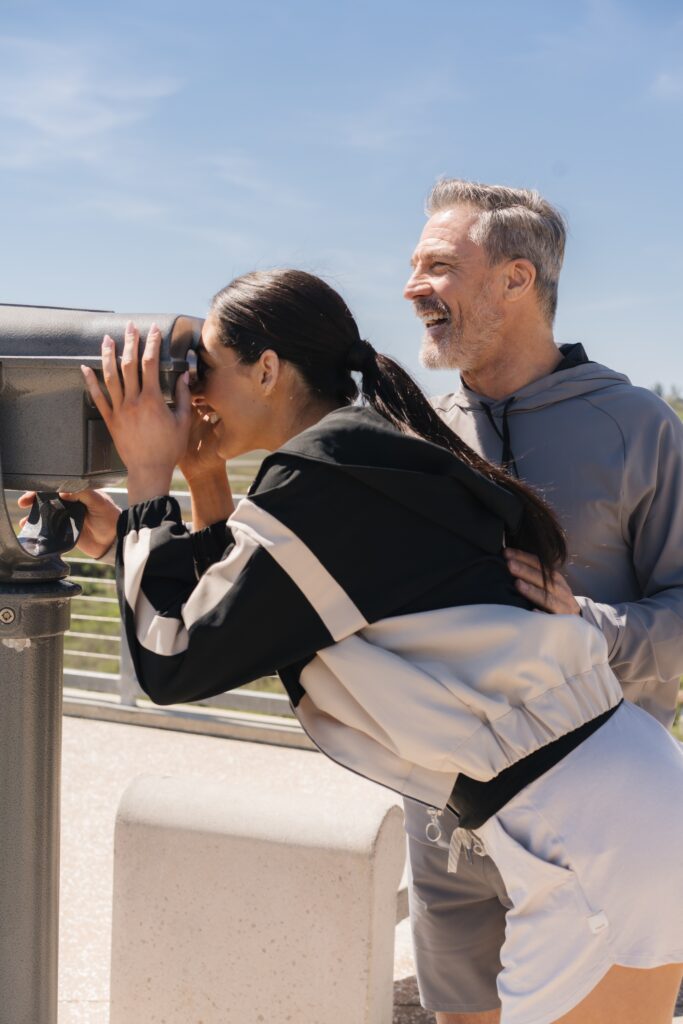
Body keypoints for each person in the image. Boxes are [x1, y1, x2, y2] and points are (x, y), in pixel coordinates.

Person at [34, 269, 683, 1024]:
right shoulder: (363, 454)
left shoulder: (325, 479)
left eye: (203, 367)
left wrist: (149, 479)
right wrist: (199, 482)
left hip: (590, 834)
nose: (194, 392)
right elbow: (244, 598)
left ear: (268, 369)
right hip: (609, 801)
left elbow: (174, 659)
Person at [402, 178, 683, 1024]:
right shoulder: (412, 431)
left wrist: (585, 626)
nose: (413, 287)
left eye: (439, 266)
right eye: (414, 265)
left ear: (515, 280)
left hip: (596, 825)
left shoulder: (638, 426)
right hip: (444, 814)